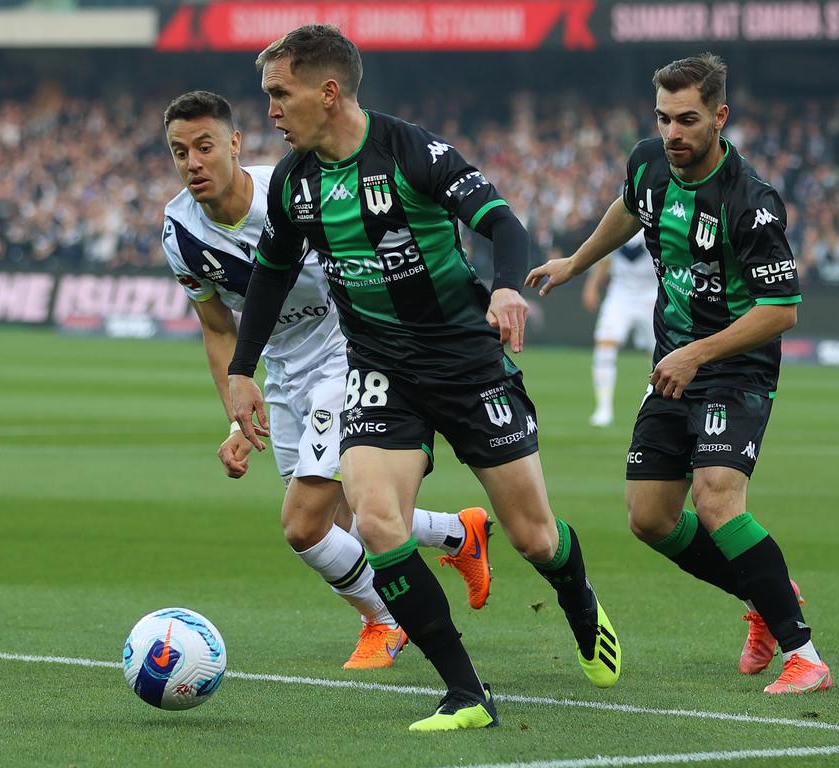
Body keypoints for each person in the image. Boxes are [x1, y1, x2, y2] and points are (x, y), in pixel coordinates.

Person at [227, 25, 620, 731]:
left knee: (533, 536)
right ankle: (466, 693)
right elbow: (271, 276)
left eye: (279, 95)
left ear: (329, 91)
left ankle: (581, 601)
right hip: (380, 368)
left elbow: (503, 223)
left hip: (467, 362)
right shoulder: (295, 181)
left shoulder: (414, 151)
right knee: (379, 523)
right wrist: (239, 369)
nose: (271, 112)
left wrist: (505, 290)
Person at [527, 53, 832, 695]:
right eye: (663, 118)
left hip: (733, 366)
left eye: (687, 120)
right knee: (649, 517)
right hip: (673, 366)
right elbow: (627, 206)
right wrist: (576, 262)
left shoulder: (751, 201)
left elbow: (782, 311)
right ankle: (764, 594)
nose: (672, 133)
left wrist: (698, 352)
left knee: (717, 499)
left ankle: (804, 654)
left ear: (720, 117)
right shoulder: (648, 163)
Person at [160, 90, 494, 671]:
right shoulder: (179, 232)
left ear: (235, 144)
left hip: (351, 355)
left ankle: (385, 621)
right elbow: (217, 328)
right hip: (287, 373)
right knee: (346, 519)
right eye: (179, 151)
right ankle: (458, 535)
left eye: (205, 146)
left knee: (303, 523)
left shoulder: (292, 193)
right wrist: (236, 408)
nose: (192, 162)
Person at [582, 230, 657, 427]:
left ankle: (660, 407)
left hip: (652, 294)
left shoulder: (656, 218)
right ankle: (603, 408)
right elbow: (605, 257)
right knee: (604, 346)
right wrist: (592, 286)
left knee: (661, 355)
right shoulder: (621, 220)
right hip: (620, 293)